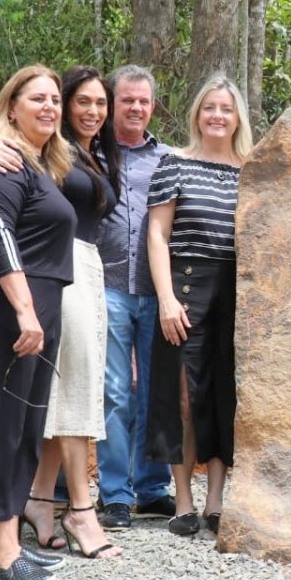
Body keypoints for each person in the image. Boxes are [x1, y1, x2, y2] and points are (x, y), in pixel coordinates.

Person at [0, 65, 76, 580]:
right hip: (2, 306)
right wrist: (26, 311)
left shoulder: (41, 165)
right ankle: (0, 553)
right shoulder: (1, 161)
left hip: (40, 305)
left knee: (27, 423)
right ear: (11, 106)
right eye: (37, 99)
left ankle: (11, 539)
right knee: (0, 422)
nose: (49, 107)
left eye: (55, 99)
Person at [17, 66, 124, 559]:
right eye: (82, 101)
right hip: (57, 269)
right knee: (76, 387)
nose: (92, 112)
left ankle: (40, 499)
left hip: (86, 267)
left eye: (101, 104)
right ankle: (80, 508)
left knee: (69, 387)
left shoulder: (93, 155)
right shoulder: (47, 152)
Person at [146, 74, 252, 536]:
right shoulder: (175, 163)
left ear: (237, 117)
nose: (217, 116)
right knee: (184, 399)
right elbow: (157, 234)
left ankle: (216, 502)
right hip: (185, 287)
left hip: (237, 292)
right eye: (209, 107)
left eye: (226, 109)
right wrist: (166, 299)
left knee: (224, 396)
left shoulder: (252, 170)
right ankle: (184, 500)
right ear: (197, 115)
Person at [95, 65, 176, 530]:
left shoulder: (168, 158)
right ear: (112, 102)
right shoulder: (91, 153)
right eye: (127, 100)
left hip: (155, 291)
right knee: (112, 394)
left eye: (144, 101)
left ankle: (152, 488)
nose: (136, 108)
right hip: (106, 287)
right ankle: (115, 495)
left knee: (154, 393)